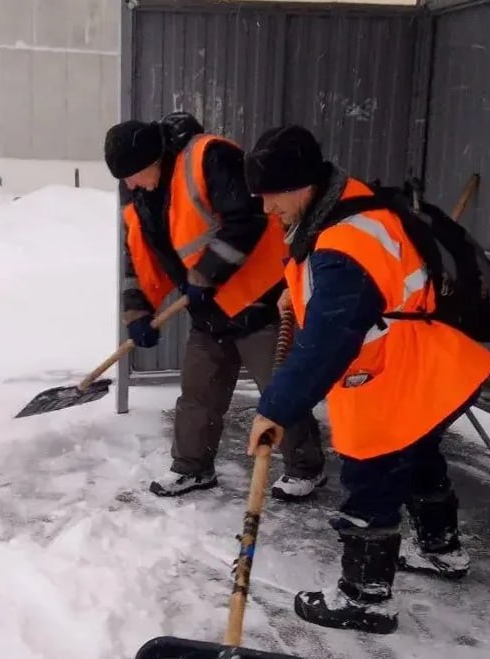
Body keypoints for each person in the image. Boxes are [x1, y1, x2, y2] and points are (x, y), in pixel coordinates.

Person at [242, 124, 490, 634]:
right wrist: (299, 291)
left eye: (272, 196)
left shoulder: (345, 244)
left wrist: (275, 408)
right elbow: (358, 285)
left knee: (372, 477)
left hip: (394, 373)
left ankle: (364, 598)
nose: (268, 209)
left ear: (300, 185)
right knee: (420, 455)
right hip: (435, 362)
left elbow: (327, 344)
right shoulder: (351, 202)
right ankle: (441, 551)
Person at [103, 112, 327, 499]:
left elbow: (248, 217)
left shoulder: (209, 157)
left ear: (155, 159)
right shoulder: (139, 194)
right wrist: (138, 313)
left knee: (280, 389)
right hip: (209, 312)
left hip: (258, 300)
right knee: (198, 393)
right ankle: (193, 467)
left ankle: (306, 468)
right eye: (124, 178)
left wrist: (205, 275)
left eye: (134, 173)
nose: (129, 183)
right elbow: (135, 258)